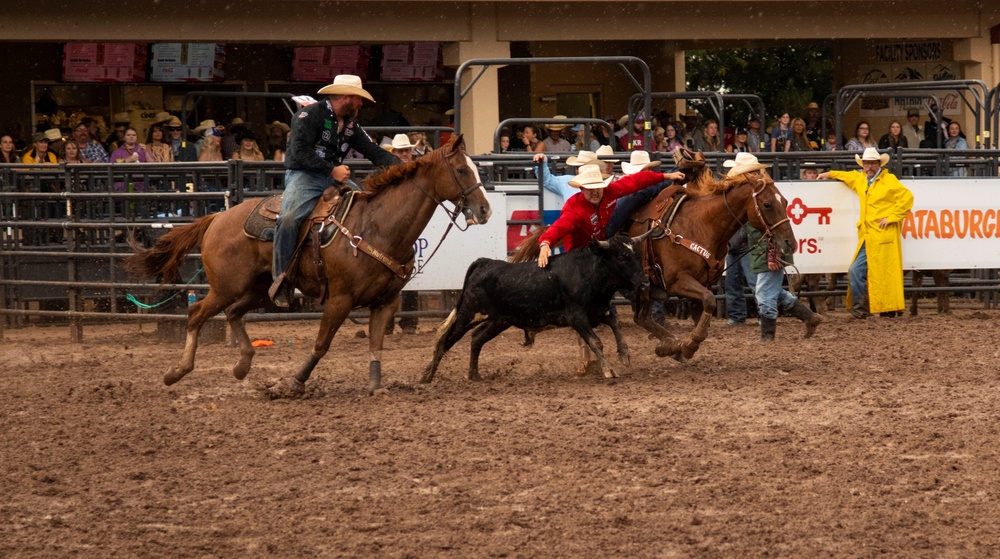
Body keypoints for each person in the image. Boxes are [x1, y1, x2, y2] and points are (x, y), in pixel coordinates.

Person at [271, 74, 399, 307]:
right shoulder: (308, 116)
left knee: (364, 208)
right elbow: (299, 153)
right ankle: (282, 279)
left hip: (332, 177)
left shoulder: (350, 125)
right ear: (347, 97)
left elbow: (373, 151)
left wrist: (404, 167)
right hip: (304, 176)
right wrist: (332, 170)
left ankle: (360, 274)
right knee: (288, 218)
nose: (361, 104)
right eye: (358, 99)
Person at [723, 153, 823, 340]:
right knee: (769, 290)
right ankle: (809, 317)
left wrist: (773, 251)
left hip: (769, 248)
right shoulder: (761, 190)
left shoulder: (762, 192)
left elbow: (772, 225)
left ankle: (768, 336)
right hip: (764, 248)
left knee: (764, 293)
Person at [818, 147, 914, 319]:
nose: (869, 166)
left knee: (880, 272)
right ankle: (863, 308)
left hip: (882, 234)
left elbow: (907, 198)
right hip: (870, 235)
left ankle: (876, 308)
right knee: (861, 270)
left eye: (872, 163)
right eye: (866, 163)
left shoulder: (889, 180)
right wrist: (829, 174)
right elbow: (848, 176)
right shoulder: (861, 179)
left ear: (879, 164)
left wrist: (892, 218)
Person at [536, 162, 679, 267]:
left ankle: (678, 172)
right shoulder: (575, 209)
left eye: (598, 187)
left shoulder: (609, 192)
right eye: (590, 188)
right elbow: (560, 226)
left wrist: (666, 176)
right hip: (582, 253)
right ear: (581, 189)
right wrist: (545, 243)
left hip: (604, 235)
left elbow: (635, 181)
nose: (595, 192)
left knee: (636, 194)